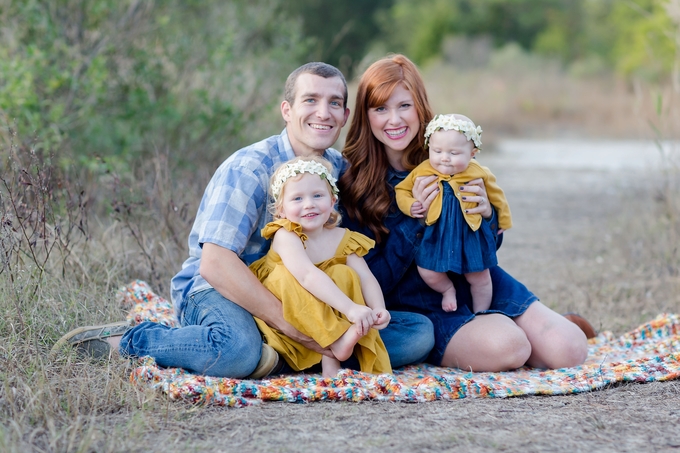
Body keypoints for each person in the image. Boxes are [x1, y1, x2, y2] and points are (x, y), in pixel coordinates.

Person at [52, 62, 434, 378]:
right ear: (287, 110)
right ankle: (135, 340)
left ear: (345, 116)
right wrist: (294, 325)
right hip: (221, 291)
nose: (323, 112)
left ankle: (279, 356)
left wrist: (460, 199)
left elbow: (382, 209)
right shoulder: (250, 168)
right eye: (310, 100)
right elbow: (216, 265)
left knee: (417, 333)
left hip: (303, 296)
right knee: (235, 351)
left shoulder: (337, 169)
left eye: (335, 102)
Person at [339, 54, 590, 372]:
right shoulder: (352, 183)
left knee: (570, 351)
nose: (394, 120)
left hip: (479, 281)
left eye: (404, 105)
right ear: (365, 114)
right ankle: (507, 333)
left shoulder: (449, 154)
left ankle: (535, 326)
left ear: (420, 105)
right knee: (509, 347)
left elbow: (489, 247)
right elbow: (369, 281)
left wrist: (486, 219)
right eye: (380, 109)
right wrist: (415, 222)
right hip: (425, 304)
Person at [250, 155, 391, 378]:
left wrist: (378, 308)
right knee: (286, 277)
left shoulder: (342, 237)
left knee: (343, 273)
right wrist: (350, 309)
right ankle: (337, 342)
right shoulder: (286, 235)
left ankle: (331, 363)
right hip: (289, 314)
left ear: (332, 200)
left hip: (326, 309)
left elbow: (365, 277)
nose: (309, 204)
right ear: (281, 210)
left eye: (317, 195)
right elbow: (307, 276)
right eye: (297, 198)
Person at [394, 113, 512, 314]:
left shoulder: (478, 173)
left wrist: (501, 221)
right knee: (426, 269)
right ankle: (447, 289)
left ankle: (481, 313)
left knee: (480, 277)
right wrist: (410, 204)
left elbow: (497, 196)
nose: (444, 158)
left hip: (469, 234)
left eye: (454, 153)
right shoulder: (423, 170)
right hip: (436, 234)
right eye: (437, 150)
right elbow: (401, 190)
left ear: (472, 153)